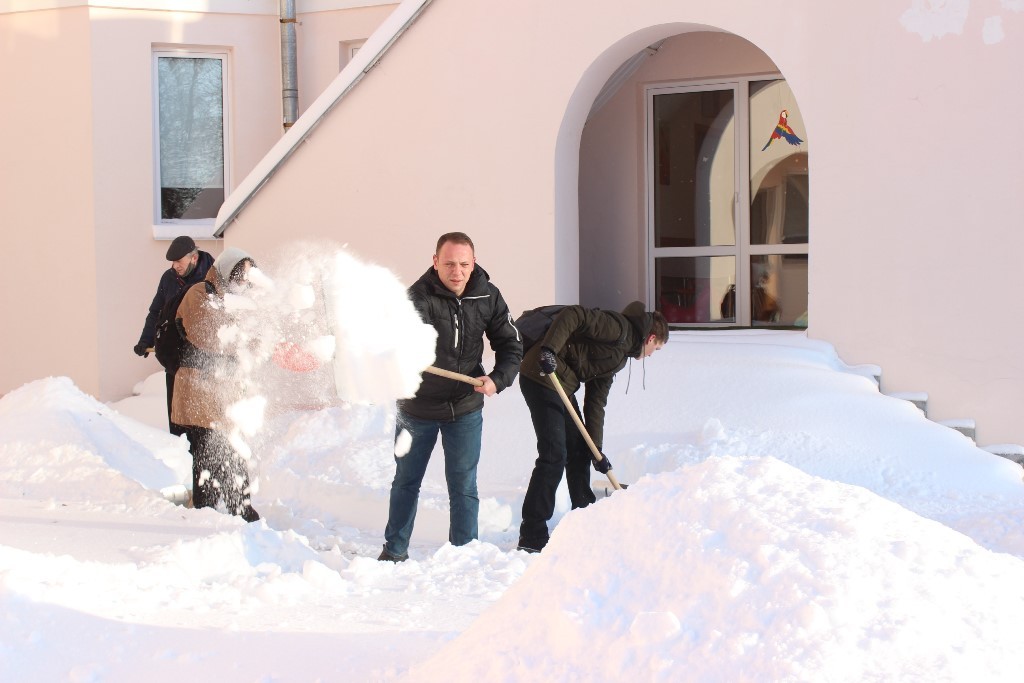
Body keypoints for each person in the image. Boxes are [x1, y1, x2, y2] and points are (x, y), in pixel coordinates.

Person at [379, 232, 523, 562]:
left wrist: (498, 379)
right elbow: (397, 344)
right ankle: (395, 550)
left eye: (463, 264)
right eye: (448, 264)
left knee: (463, 486)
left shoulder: (487, 294)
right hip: (416, 407)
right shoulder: (417, 298)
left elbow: (511, 344)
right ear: (435, 262)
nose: (456, 271)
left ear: (473, 263)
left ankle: (464, 554)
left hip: (465, 407)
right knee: (406, 481)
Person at [516, 302, 669, 553]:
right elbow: (573, 315)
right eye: (656, 348)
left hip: (562, 384)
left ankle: (584, 519)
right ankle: (531, 533)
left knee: (579, 451)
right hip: (541, 375)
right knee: (554, 454)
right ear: (651, 338)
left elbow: (596, 402)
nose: (652, 354)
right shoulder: (617, 328)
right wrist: (549, 351)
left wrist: (595, 449)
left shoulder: (620, 357)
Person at [171, 247, 260, 522]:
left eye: (247, 277)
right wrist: (244, 342)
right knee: (210, 453)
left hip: (223, 394)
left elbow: (248, 344)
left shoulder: (238, 301)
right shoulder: (200, 293)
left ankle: (234, 508)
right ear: (227, 272)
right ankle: (219, 511)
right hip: (199, 389)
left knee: (227, 450)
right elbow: (209, 335)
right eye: (239, 275)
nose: (244, 282)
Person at [134, 236, 214, 436]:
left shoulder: (211, 277)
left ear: (193, 258)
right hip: (173, 359)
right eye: (173, 262)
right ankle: (179, 457)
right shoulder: (169, 278)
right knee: (176, 419)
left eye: (179, 261)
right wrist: (146, 340)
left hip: (200, 363)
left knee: (198, 421)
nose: (175, 266)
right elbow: (156, 312)